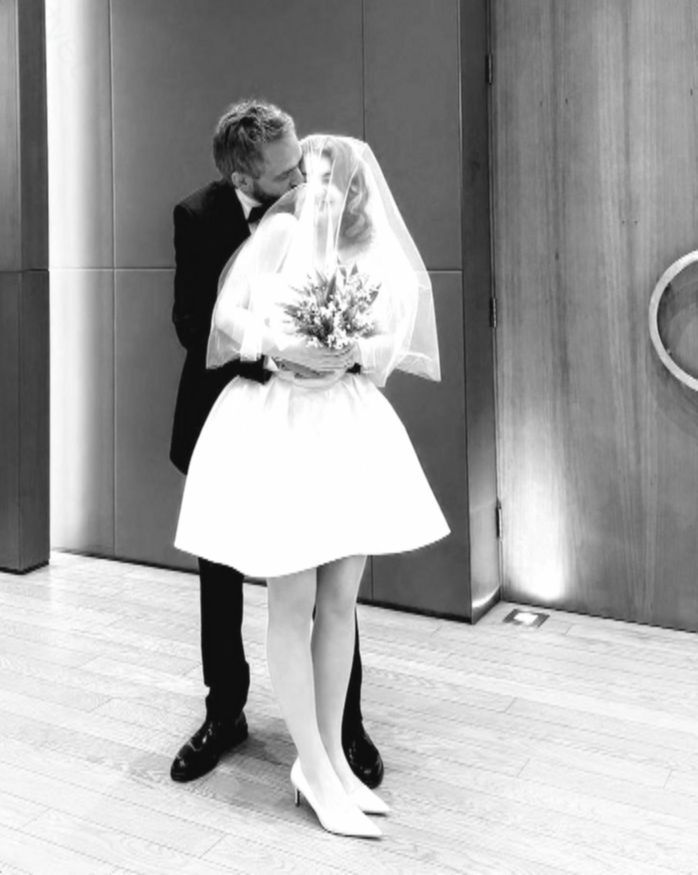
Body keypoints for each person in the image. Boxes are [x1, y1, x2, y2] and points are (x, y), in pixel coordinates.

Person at [175, 133, 450, 837]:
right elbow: (224, 318)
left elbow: (391, 341)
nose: (321, 189)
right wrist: (281, 344)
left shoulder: (375, 252)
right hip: (278, 427)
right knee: (289, 601)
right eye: (310, 175)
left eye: (337, 179)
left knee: (340, 602)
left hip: (344, 430)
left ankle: (328, 757)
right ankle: (314, 768)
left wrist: (351, 348)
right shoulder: (278, 234)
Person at [169, 100, 383, 789]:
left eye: (300, 162)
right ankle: (224, 714)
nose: (302, 176)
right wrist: (279, 354)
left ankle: (343, 724)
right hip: (228, 422)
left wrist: (334, 354)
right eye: (286, 171)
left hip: (311, 426)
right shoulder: (196, 216)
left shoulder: (322, 207)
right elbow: (193, 324)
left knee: (328, 570)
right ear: (242, 176)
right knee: (220, 575)